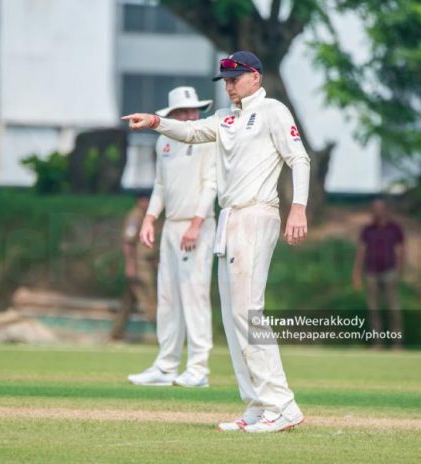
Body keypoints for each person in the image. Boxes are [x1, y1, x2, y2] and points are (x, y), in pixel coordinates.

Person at [123, 51, 309, 433]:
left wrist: (299, 208)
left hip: (258, 213)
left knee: (248, 313)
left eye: (235, 79)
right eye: (225, 80)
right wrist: (157, 121)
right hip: (229, 218)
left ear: (254, 77)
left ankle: (282, 405)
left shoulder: (273, 110)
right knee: (231, 316)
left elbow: (299, 159)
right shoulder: (226, 118)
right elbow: (191, 132)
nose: (228, 86)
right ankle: (257, 404)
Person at [127, 86, 217, 388]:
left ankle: (198, 369)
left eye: (195, 111)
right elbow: (161, 186)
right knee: (168, 297)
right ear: (173, 115)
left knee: (194, 296)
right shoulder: (165, 141)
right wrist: (150, 218)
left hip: (198, 226)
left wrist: (196, 224)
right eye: (186, 112)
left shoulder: (207, 138)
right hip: (172, 226)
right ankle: (165, 366)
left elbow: (211, 185)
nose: (192, 116)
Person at [352, 198, 405, 347]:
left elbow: (401, 251)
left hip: (390, 271)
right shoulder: (367, 230)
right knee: (373, 309)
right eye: (374, 209)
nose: (377, 212)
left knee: (393, 308)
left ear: (385, 210)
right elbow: (361, 252)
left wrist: (400, 271)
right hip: (371, 272)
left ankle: (396, 342)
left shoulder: (394, 228)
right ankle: (377, 342)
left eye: (380, 208)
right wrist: (356, 273)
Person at [111, 192, 158, 341]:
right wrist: (130, 266)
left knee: (128, 302)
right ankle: (165, 335)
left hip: (145, 264)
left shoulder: (146, 216)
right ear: (140, 200)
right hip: (140, 265)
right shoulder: (135, 216)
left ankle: (116, 334)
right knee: (150, 300)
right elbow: (128, 242)